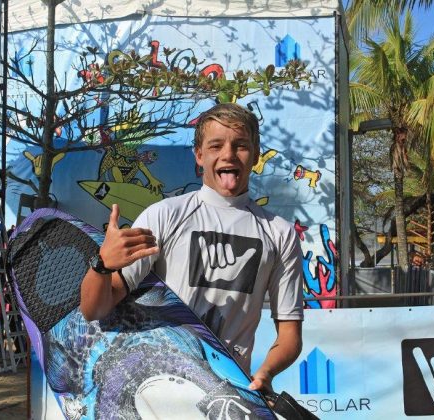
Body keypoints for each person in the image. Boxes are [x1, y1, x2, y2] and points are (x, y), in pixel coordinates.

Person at [80, 102, 304, 393]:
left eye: (240, 145)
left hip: (228, 393)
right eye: (216, 146)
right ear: (199, 155)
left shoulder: (280, 234)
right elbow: (92, 309)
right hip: (157, 391)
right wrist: (102, 265)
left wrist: (265, 374)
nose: (228, 154)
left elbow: (290, 336)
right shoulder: (163, 215)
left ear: (256, 155)